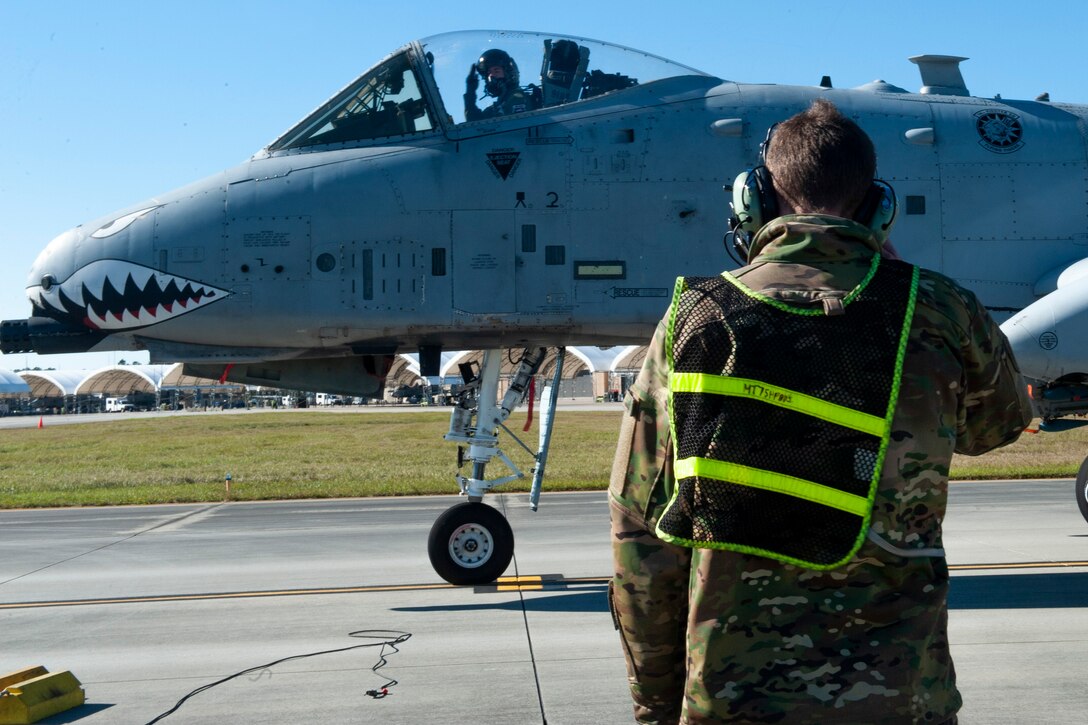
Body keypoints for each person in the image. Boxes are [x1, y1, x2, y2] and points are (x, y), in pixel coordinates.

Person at [608, 99, 1033, 724]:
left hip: (731, 697)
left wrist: (655, 706)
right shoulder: (941, 310)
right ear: (876, 208)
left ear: (753, 200)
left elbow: (641, 538)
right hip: (901, 700)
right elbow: (997, 426)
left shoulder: (694, 322)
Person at [464, 49, 533, 121]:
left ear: (509, 73)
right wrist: (470, 91)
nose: (491, 76)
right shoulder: (494, 110)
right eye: (489, 72)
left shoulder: (528, 100)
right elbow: (474, 125)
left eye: (496, 71)